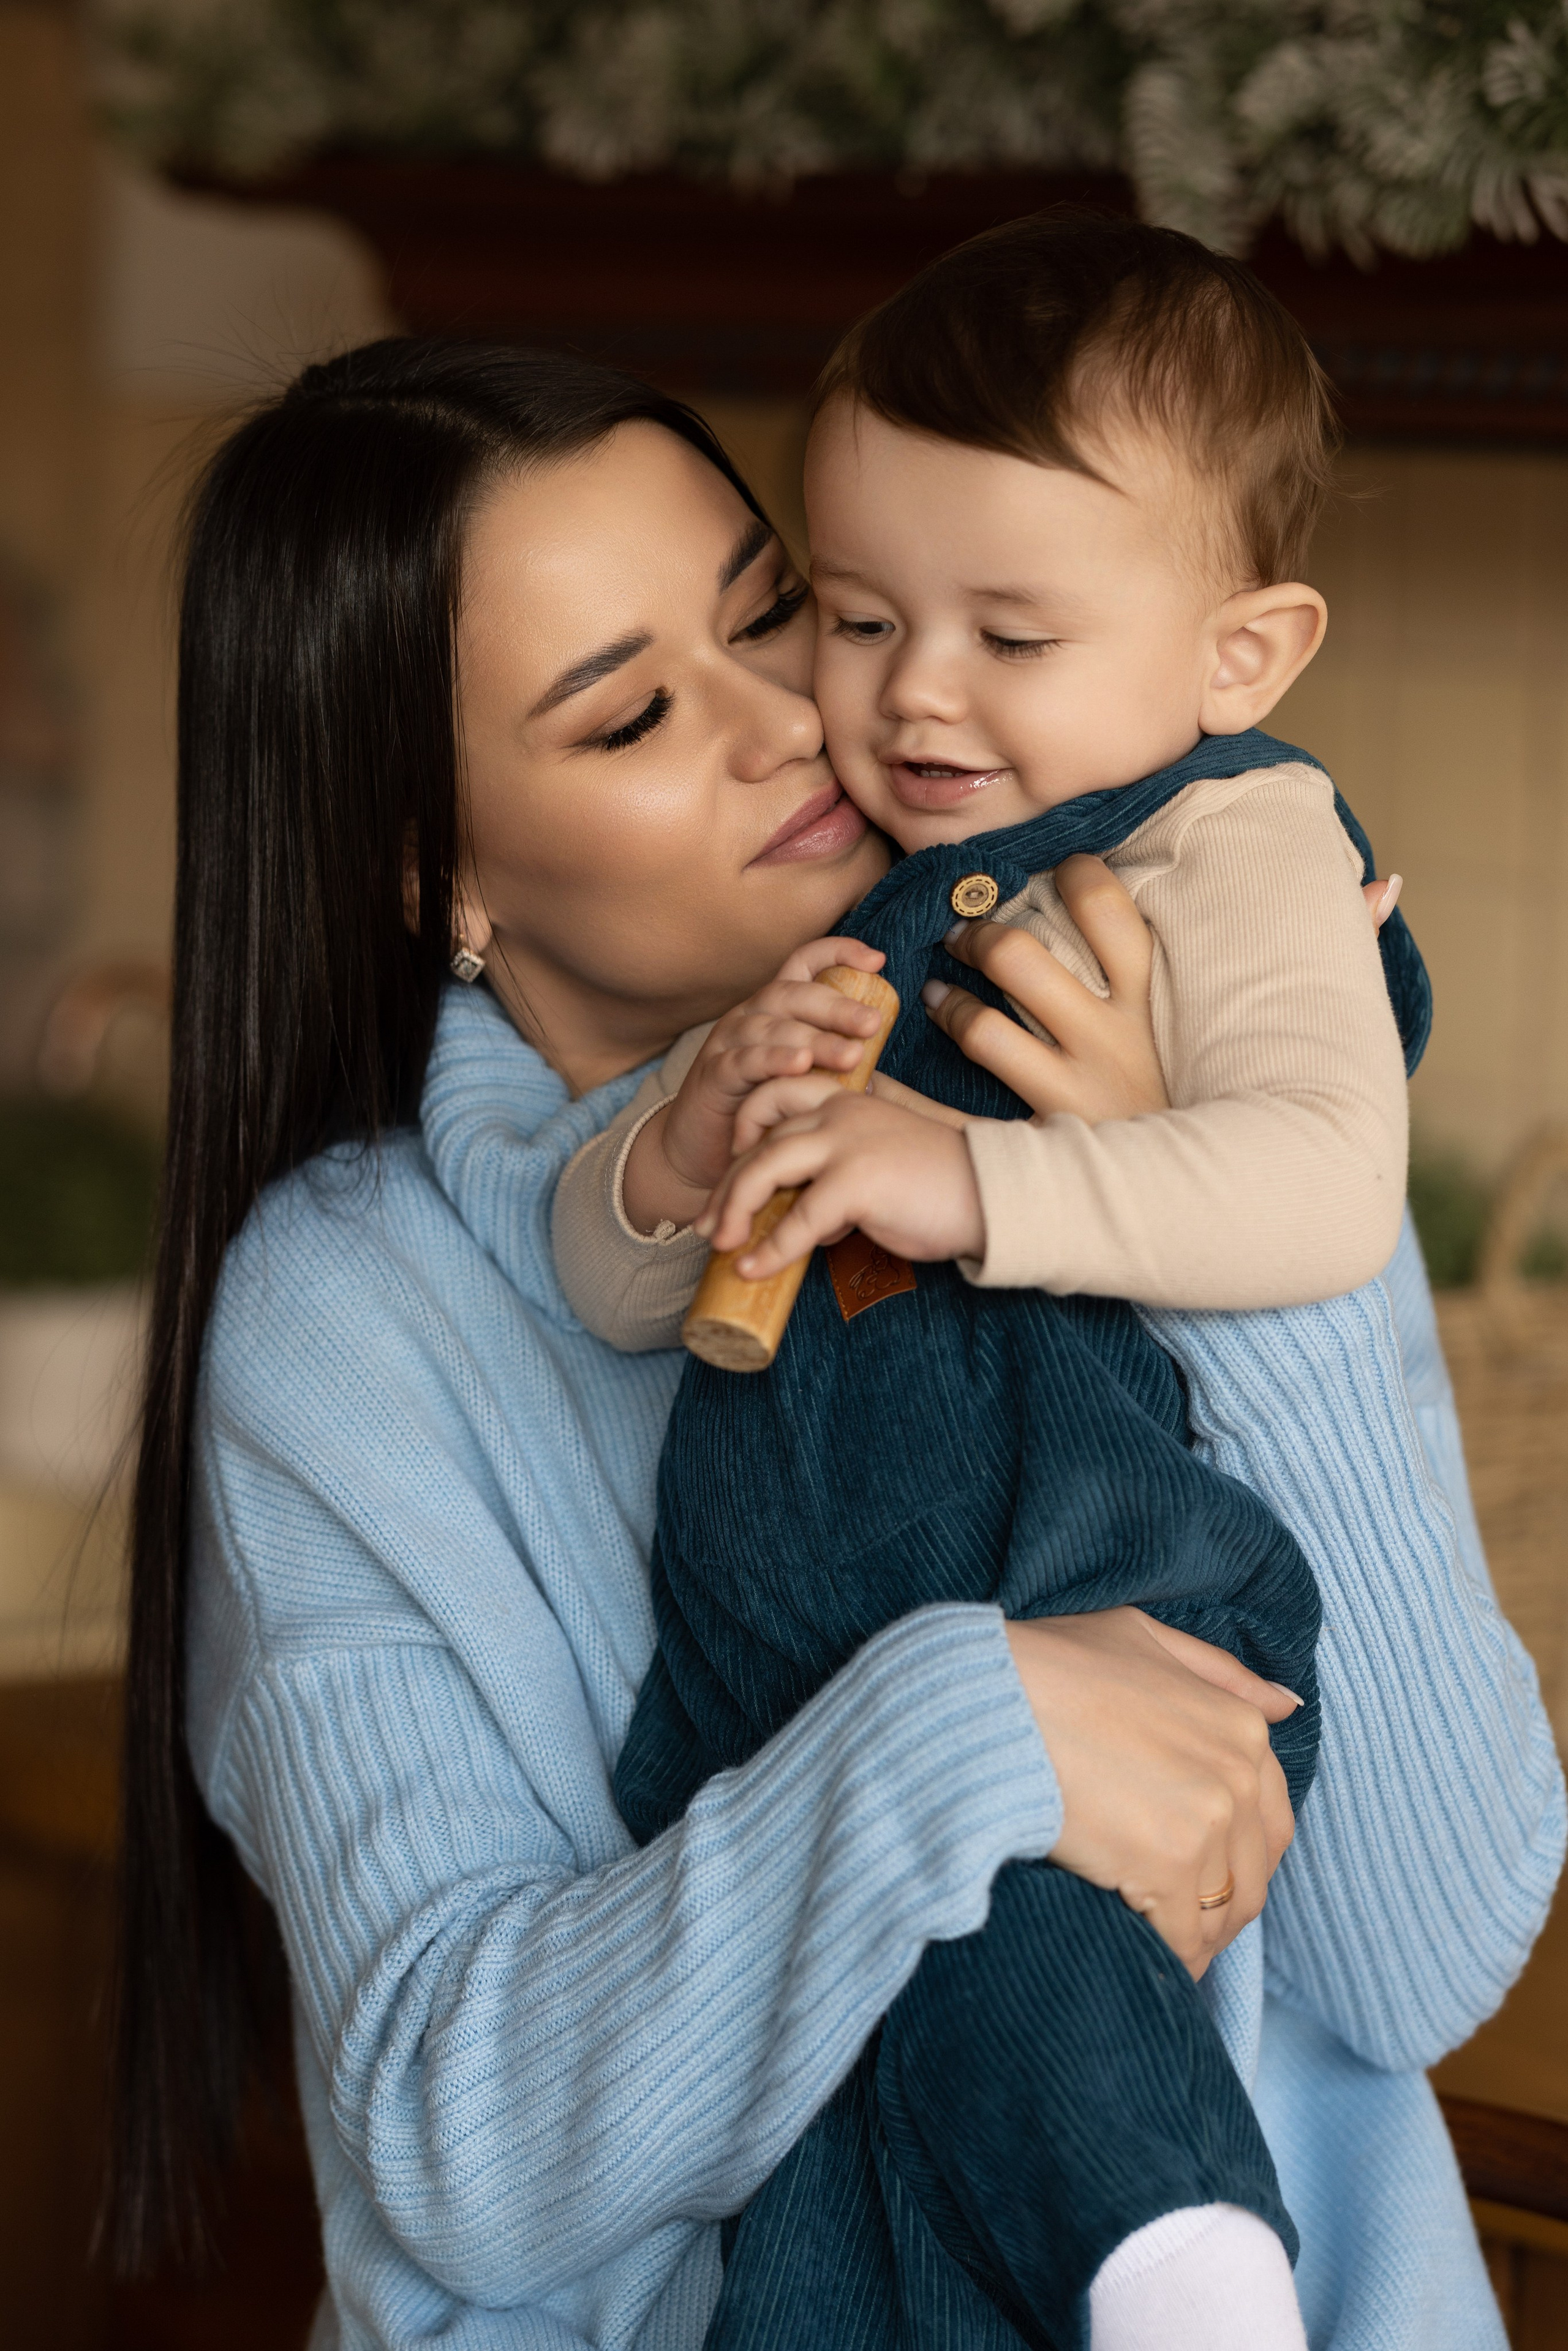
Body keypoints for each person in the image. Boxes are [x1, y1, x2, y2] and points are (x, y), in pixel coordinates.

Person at [105, 337, 1559, 2351]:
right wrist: (961, 1745)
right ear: (434, 873)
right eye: (629, 715)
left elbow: (1416, 1962)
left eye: (778, 608)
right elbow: (459, 2141)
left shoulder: (1142, 1052)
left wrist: (1196, 1215)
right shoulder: (351, 1318)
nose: (799, 720)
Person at [549, 216, 1419, 2349]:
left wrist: (981, 1175)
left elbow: (1323, 1185)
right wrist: (680, 1148)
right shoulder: (866, 891)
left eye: (1009, 637)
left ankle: (1184, 2268)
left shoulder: (1236, 850)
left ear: (1242, 652)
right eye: (856, 616)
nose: (907, 695)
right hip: (801, 1687)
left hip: (1094, 1587)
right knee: (841, 2151)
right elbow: (605, 1283)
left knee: (1014, 1942)